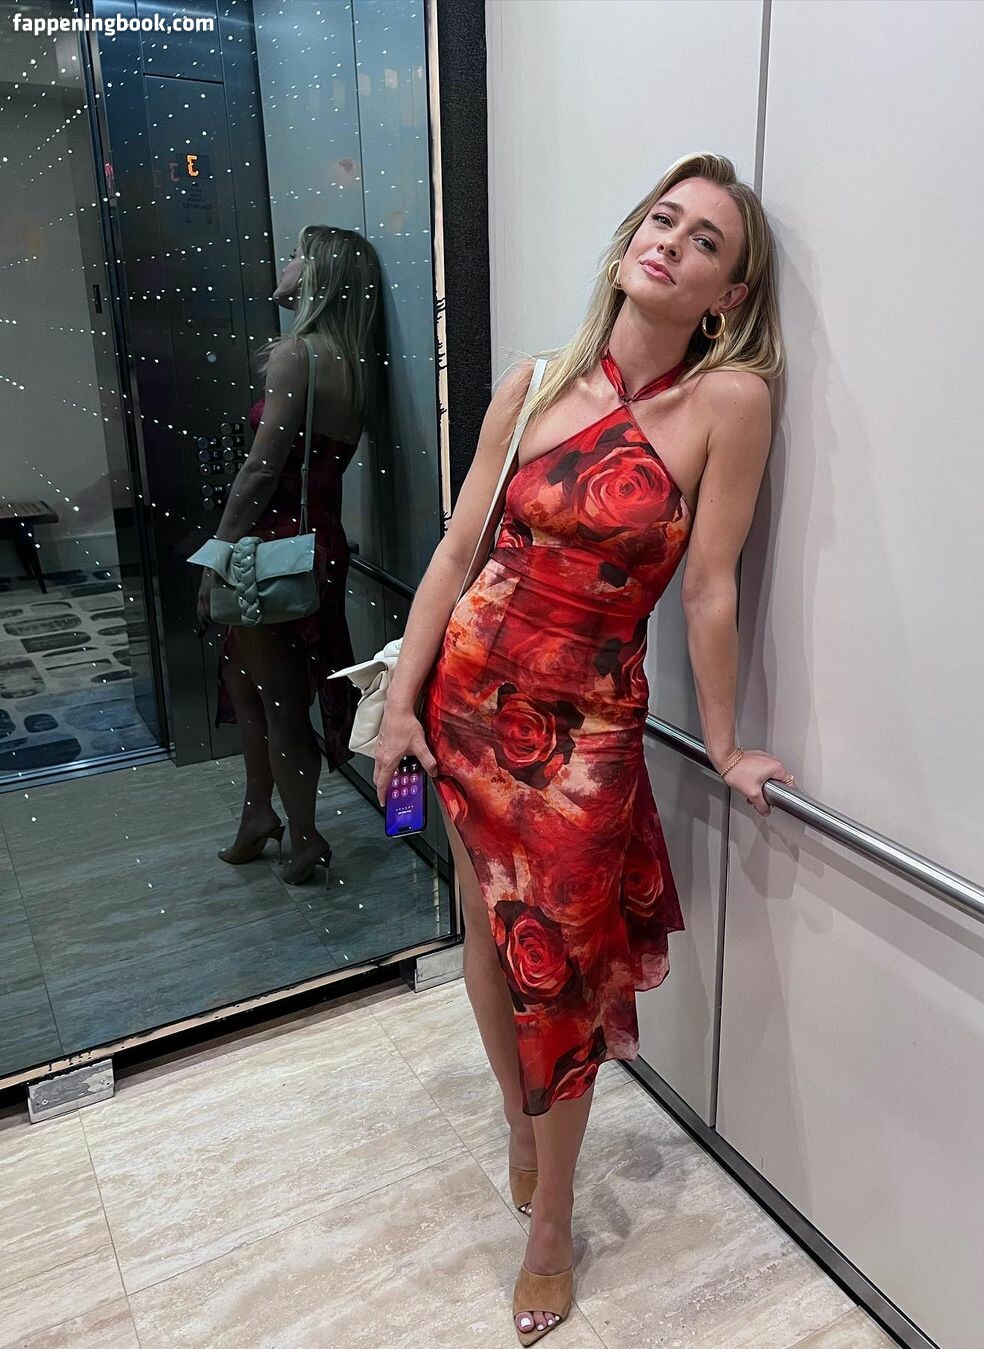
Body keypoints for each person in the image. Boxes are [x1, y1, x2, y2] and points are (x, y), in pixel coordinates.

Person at [373, 152, 795, 1344]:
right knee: (487, 943)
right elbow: (455, 554)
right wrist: (401, 706)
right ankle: (522, 1121)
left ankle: (552, 1220)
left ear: (725, 294)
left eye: (706, 240)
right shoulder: (535, 382)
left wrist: (726, 746)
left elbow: (709, 588)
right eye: (664, 219)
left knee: (554, 976)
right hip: (465, 702)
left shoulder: (728, 404)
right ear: (628, 241)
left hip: (586, 739)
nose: (672, 242)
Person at [197, 224, 383, 885]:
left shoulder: (296, 355)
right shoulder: (350, 363)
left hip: (270, 547)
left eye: (300, 254)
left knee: (276, 699)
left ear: (321, 274)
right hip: (314, 543)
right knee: (249, 683)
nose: (287, 261)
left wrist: (216, 555)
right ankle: (259, 815)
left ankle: (305, 837)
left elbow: (260, 469)